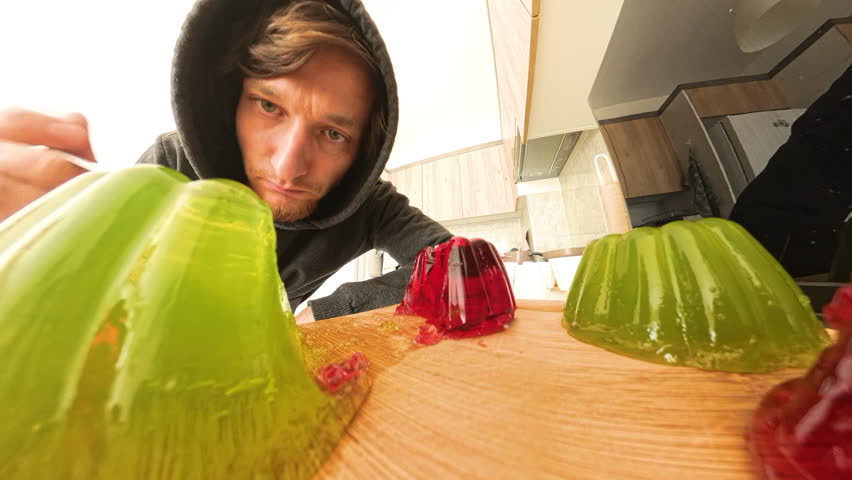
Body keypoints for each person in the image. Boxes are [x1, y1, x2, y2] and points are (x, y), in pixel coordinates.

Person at [0, 0, 453, 322]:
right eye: (269, 106)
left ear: (362, 152)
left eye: (333, 134)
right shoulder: (168, 169)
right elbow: (97, 297)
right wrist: (32, 261)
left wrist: (329, 309)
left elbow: (456, 265)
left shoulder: (370, 204)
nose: (288, 165)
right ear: (232, 102)